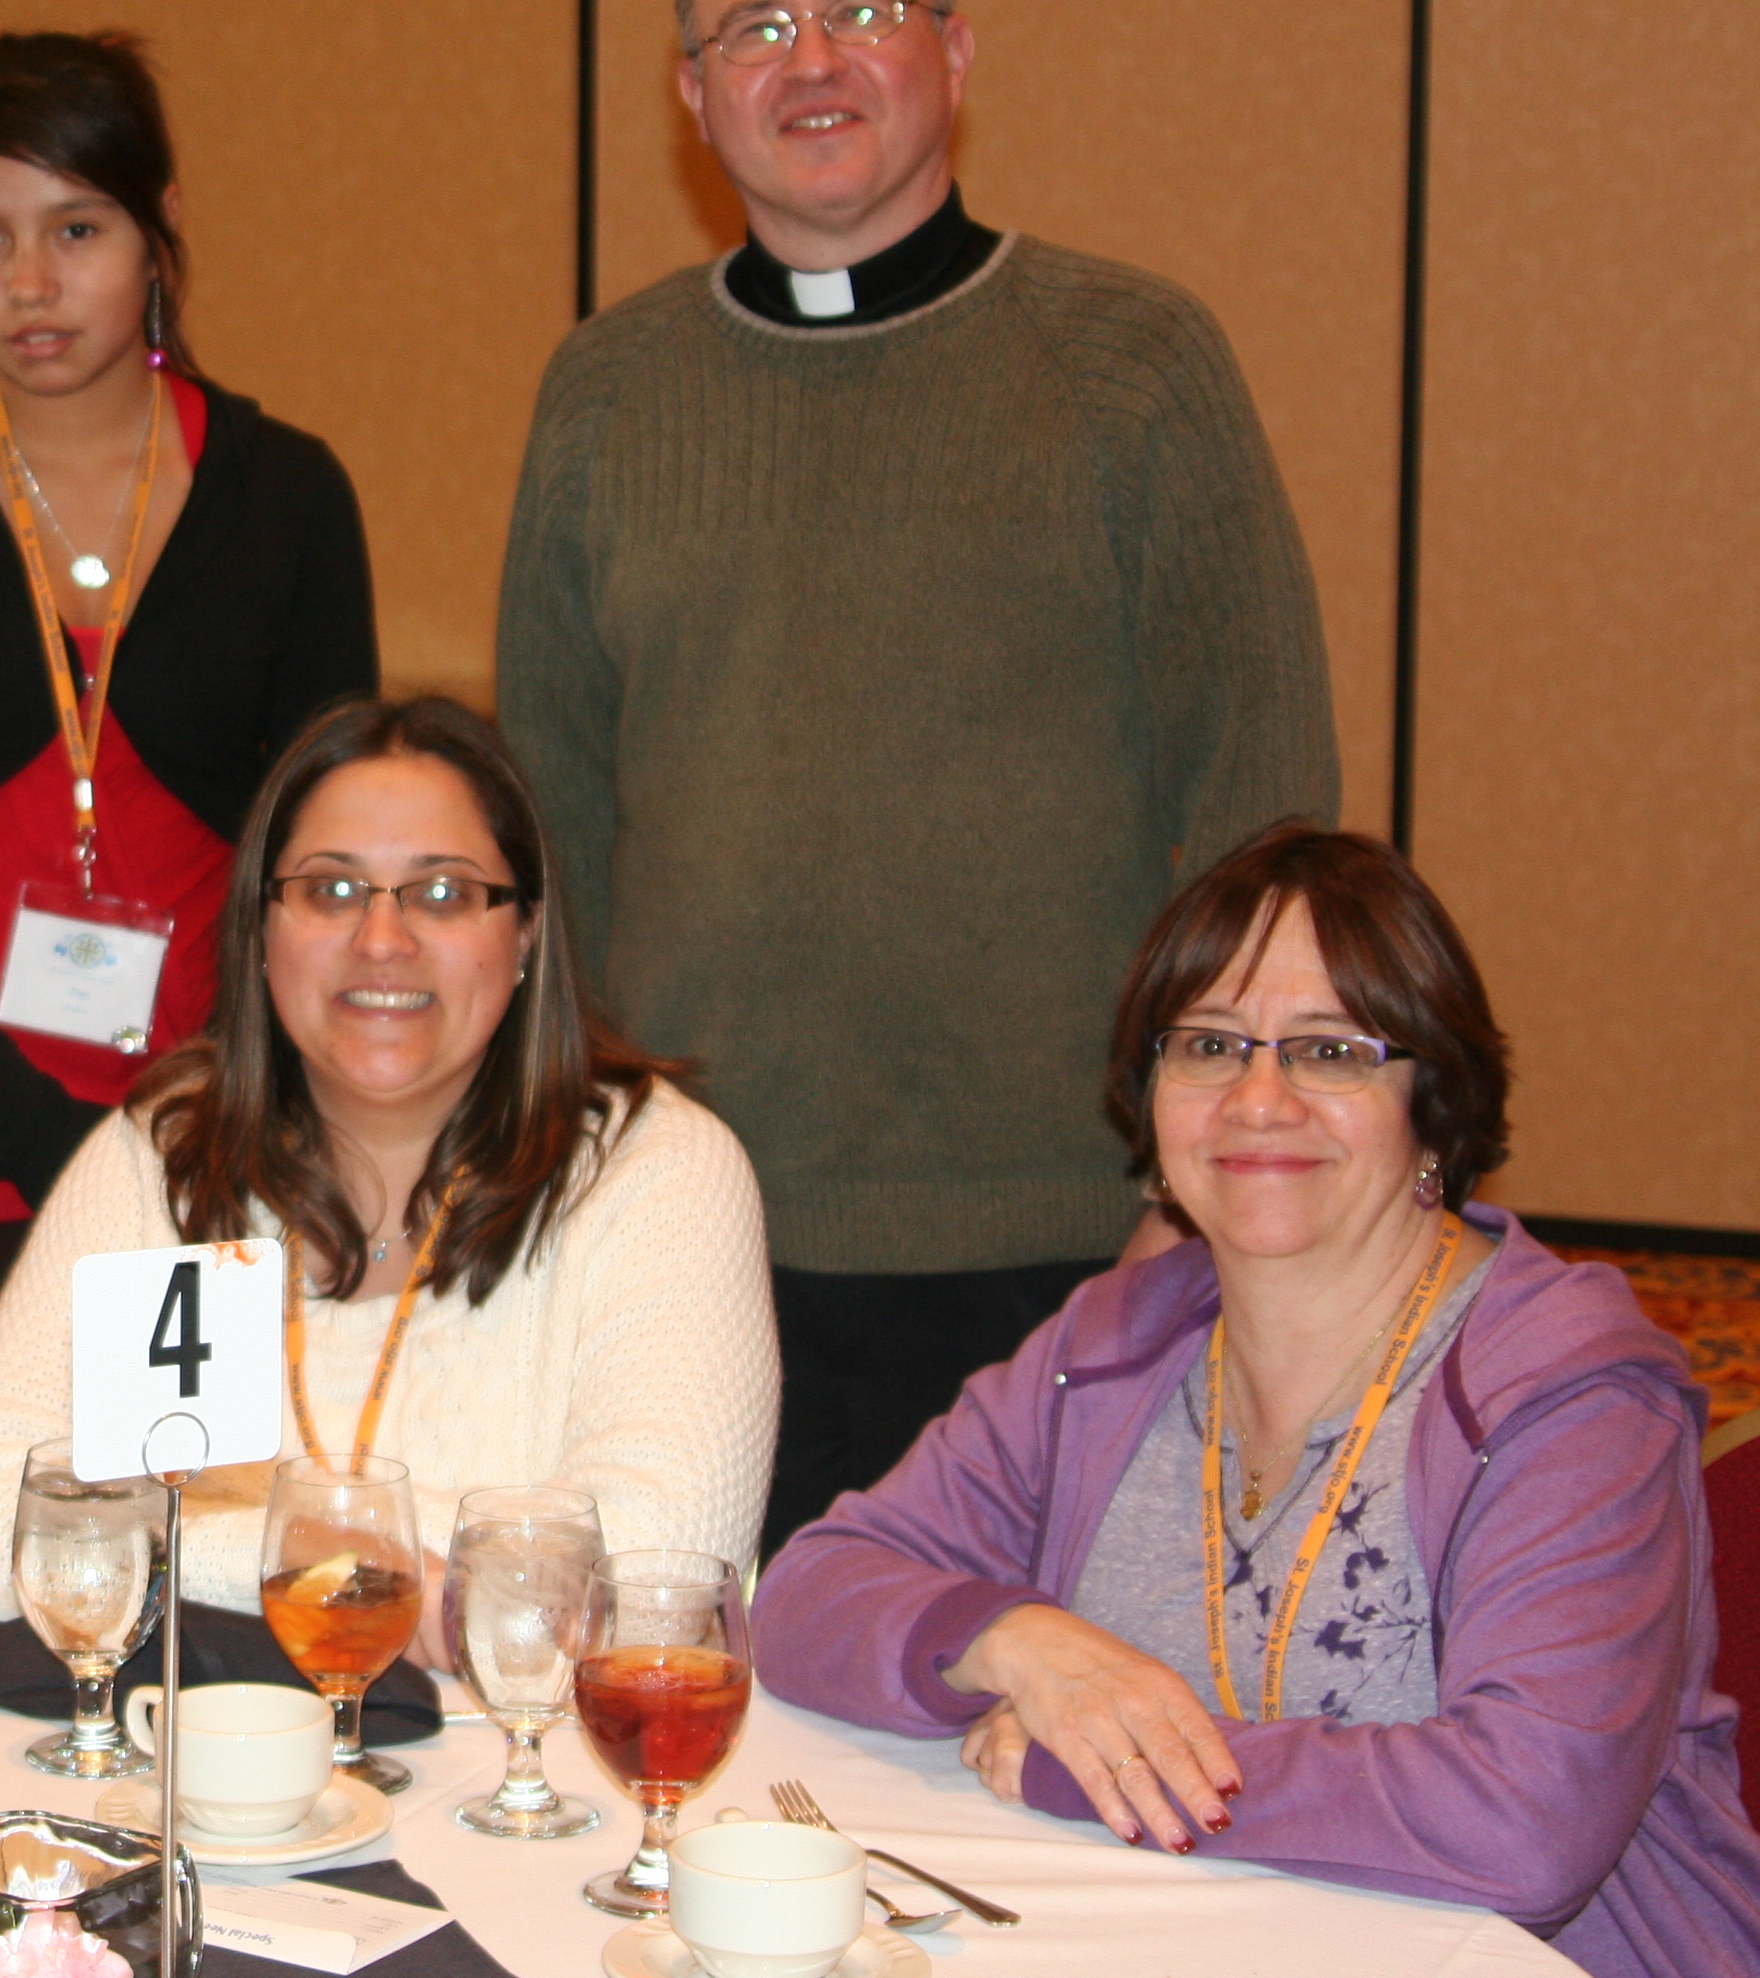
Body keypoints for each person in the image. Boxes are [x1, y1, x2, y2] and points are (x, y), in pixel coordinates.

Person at [495, 0, 1340, 1554]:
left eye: (861, 10)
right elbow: (547, 817)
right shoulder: (607, 390)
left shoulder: (1133, 365)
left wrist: (1200, 1186)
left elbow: (1268, 810)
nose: (811, 60)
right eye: (755, 28)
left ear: (954, 50)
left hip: (1070, 1227)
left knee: (1040, 1745)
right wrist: (549, 1166)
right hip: (690, 1223)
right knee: (704, 1713)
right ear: (691, 92)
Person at [753, 824, 1760, 1975]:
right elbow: (807, 1594)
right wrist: (1020, 1641)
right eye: (1211, 1045)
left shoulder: (1563, 1392)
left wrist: (1085, 1761)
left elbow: (1527, 1822)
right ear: (1153, 1102)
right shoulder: (1119, 1344)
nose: (1260, 1098)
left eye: (1330, 1053)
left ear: (1433, 1100)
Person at [0, 32, 378, 1608]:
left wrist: (180, 1141)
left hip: (190, 1150)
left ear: (160, 232)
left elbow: (326, 856)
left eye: (75, 231)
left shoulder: (290, 495)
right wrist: (43, 1142)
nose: (29, 283)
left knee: (184, 1599)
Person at [0, 696, 774, 1621]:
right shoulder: (165, 1155)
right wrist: (315, 1557)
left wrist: (168, 1536)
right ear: (261, 930)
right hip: (194, 1753)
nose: (382, 940)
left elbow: (655, 1570)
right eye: (331, 890)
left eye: (443, 893)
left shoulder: (659, 1172)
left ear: (523, 934)